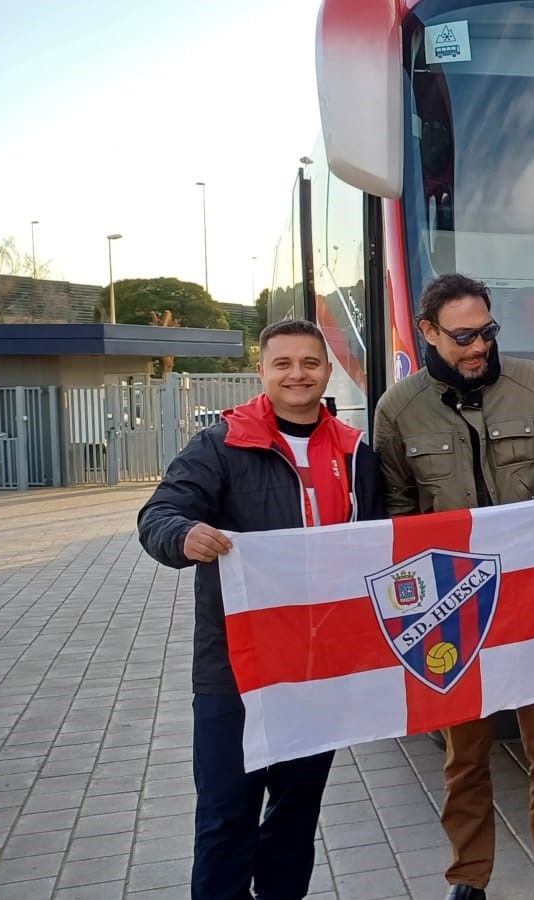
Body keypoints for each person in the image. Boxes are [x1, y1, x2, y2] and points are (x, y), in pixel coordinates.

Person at [374, 273, 534, 900]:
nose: (479, 347)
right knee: (464, 759)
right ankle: (468, 879)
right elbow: (394, 507)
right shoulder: (398, 408)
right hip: (451, 609)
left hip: (532, 602)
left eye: (486, 332)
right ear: (428, 333)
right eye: (463, 337)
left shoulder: (533, 384)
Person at [137, 319, 385, 900]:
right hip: (235, 670)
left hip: (317, 671)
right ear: (263, 371)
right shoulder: (220, 445)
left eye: (309, 363)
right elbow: (158, 515)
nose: (297, 375)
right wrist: (183, 534)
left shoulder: (355, 453)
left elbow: (385, 543)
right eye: (283, 364)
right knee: (227, 816)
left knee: (297, 816)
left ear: (327, 371)